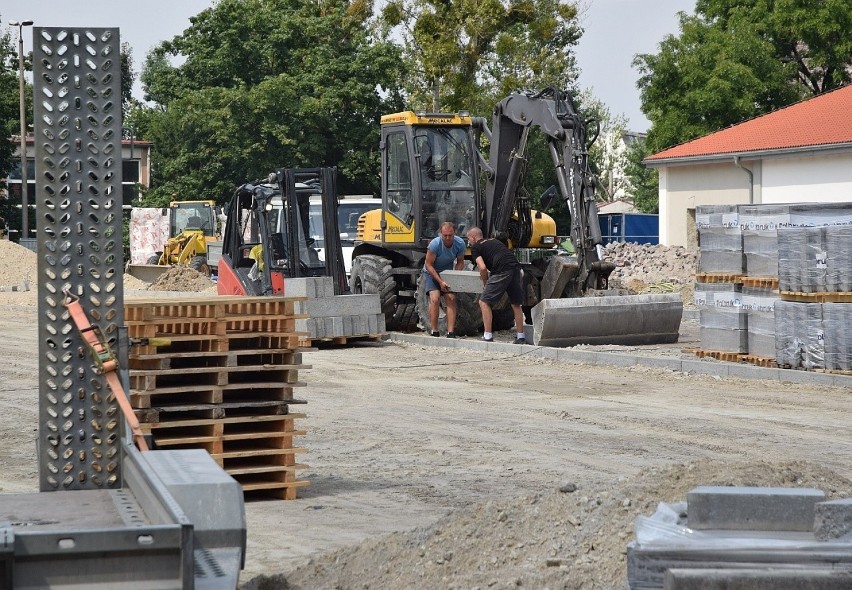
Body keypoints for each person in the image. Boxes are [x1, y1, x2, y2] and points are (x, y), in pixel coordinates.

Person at [466, 227, 526, 344]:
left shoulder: (476, 248)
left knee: (483, 302)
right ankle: (520, 336)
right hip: (516, 268)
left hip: (501, 270)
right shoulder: (494, 241)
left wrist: (485, 283)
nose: (469, 242)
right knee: (515, 303)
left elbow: (482, 267)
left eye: (469, 239)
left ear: (473, 237)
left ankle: (487, 335)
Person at [422, 221, 466, 338]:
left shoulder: (460, 243)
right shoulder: (435, 245)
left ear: (454, 233)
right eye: (445, 235)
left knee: (451, 298)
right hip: (432, 272)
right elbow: (428, 265)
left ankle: (450, 331)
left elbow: (460, 262)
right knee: (435, 299)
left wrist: (455, 276)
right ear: (440, 233)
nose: (447, 238)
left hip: (447, 273)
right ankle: (434, 330)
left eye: (450, 235)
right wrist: (440, 281)